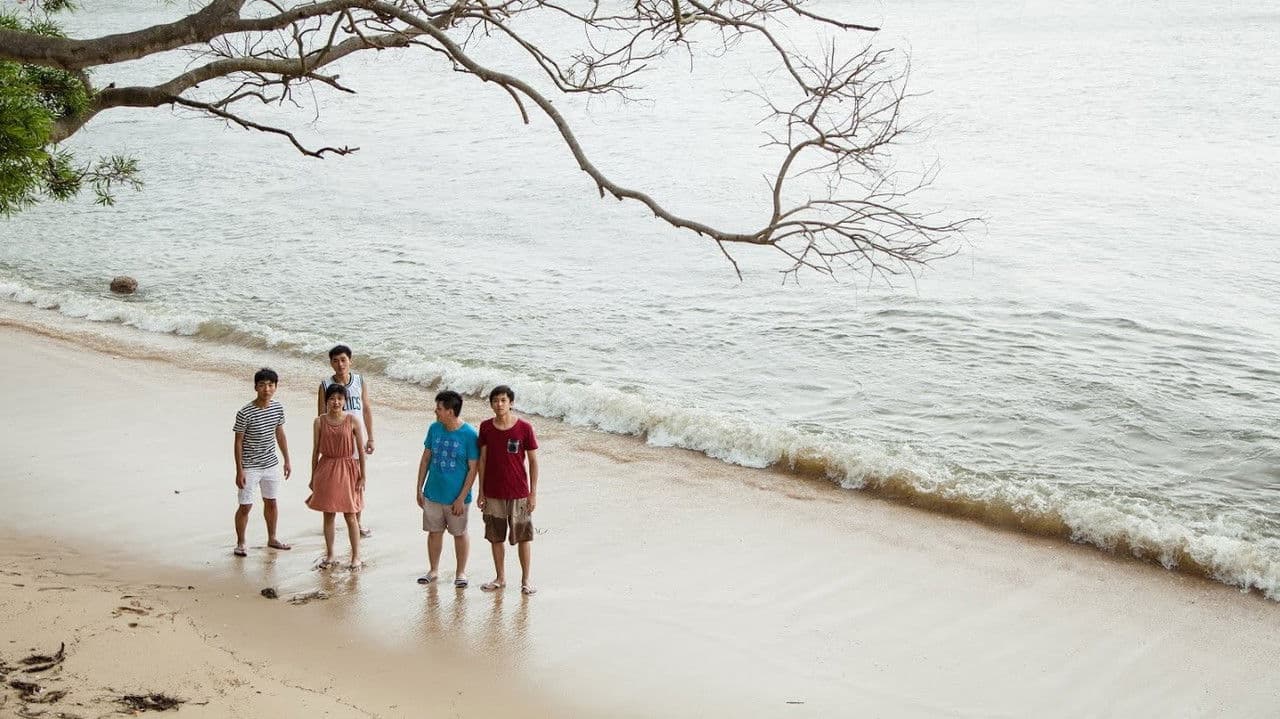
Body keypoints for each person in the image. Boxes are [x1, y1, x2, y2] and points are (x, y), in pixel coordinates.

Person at [477, 385, 540, 595]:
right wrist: (481, 491)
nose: (499, 404)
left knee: (524, 537)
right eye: (495, 401)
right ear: (491, 404)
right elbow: (482, 460)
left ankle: (526, 580)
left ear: (511, 403)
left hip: (519, 492)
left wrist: (533, 493)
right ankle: (500, 578)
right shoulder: (485, 427)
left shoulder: (524, 428)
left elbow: (533, 462)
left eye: (503, 400)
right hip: (492, 492)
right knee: (495, 537)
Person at [414, 390, 479, 588]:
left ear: (450, 411)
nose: (436, 411)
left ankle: (460, 573)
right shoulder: (434, 428)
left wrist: (461, 498)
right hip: (433, 493)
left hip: (457, 498)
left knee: (459, 533)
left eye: (439, 408)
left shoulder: (469, 434)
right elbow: (425, 459)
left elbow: (473, 469)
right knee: (434, 532)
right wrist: (419, 488)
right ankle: (433, 570)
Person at [305, 384, 366, 570]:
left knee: (350, 514)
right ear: (326, 401)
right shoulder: (319, 421)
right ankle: (330, 555)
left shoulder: (353, 420)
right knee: (328, 514)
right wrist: (313, 476)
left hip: (348, 468)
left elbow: (361, 451)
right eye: (332, 398)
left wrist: (363, 476)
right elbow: (315, 451)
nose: (336, 402)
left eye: (340, 398)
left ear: (345, 401)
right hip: (326, 468)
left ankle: (356, 557)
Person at [232, 367, 292, 557]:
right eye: (262, 385)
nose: (267, 389)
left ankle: (272, 538)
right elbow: (238, 441)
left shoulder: (277, 408)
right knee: (245, 506)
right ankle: (241, 543)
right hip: (250, 466)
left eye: (270, 385)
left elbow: (280, 434)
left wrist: (287, 460)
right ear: (255, 387)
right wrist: (239, 470)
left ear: (275, 387)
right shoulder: (245, 413)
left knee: (271, 502)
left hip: (271, 464)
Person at [318, 344, 375, 538]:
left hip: (356, 439)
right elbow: (321, 414)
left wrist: (370, 437)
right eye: (335, 361)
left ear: (350, 360)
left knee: (357, 482)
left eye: (343, 360)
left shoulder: (359, 380)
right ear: (331, 363)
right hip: (336, 441)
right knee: (333, 482)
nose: (340, 364)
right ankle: (331, 520)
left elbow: (366, 409)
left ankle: (357, 523)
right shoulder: (325, 385)